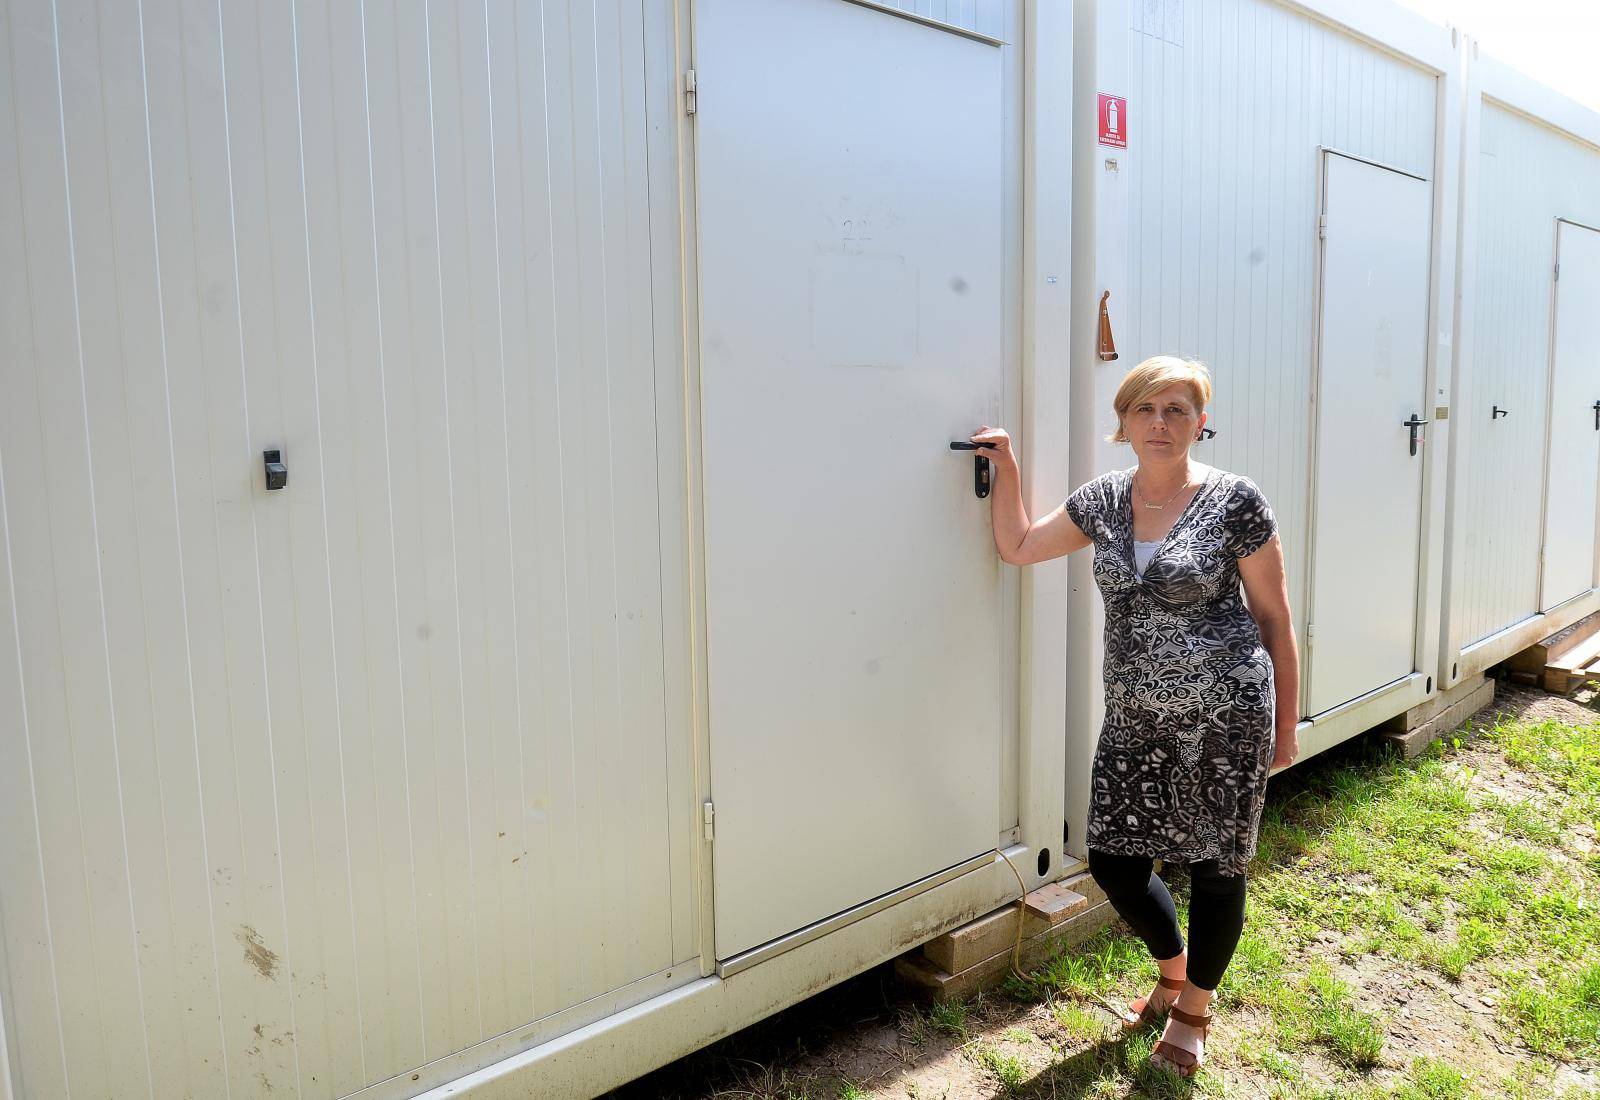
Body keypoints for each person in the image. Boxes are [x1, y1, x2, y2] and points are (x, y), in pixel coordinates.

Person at [970, 355, 1299, 1077]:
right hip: (1135, 718)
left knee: (1217, 866)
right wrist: (1008, 467)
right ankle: (1173, 966)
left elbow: (1274, 617)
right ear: (1123, 423)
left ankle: (1192, 1011)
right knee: (1116, 857)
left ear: (1200, 423)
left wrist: (1285, 726)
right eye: (1147, 409)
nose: (1162, 422)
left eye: (1179, 409)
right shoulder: (1104, 502)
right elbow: (1020, 545)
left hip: (1228, 716)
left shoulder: (1237, 502)